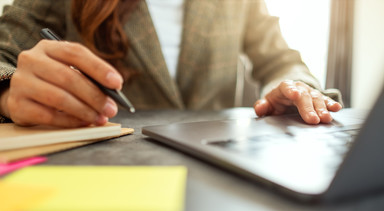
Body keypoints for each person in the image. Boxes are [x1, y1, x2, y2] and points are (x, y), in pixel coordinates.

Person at [0, 0, 342, 127]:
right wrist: (8, 91)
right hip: (108, 167)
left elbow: (280, 60)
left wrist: (297, 88)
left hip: (220, 169)